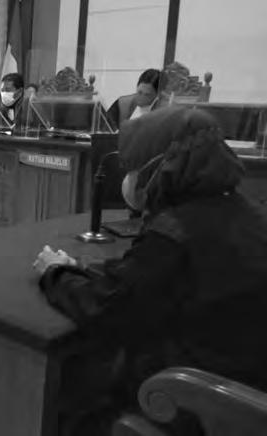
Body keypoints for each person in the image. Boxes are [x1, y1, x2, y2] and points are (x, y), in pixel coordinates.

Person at [32, 107, 267, 435]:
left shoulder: (174, 232)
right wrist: (90, 273)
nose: (128, 178)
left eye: (133, 167)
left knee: (75, 399)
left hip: (198, 401)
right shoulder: (250, 212)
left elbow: (108, 310)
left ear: (160, 165)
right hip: (248, 383)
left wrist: (55, 273)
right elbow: (147, 284)